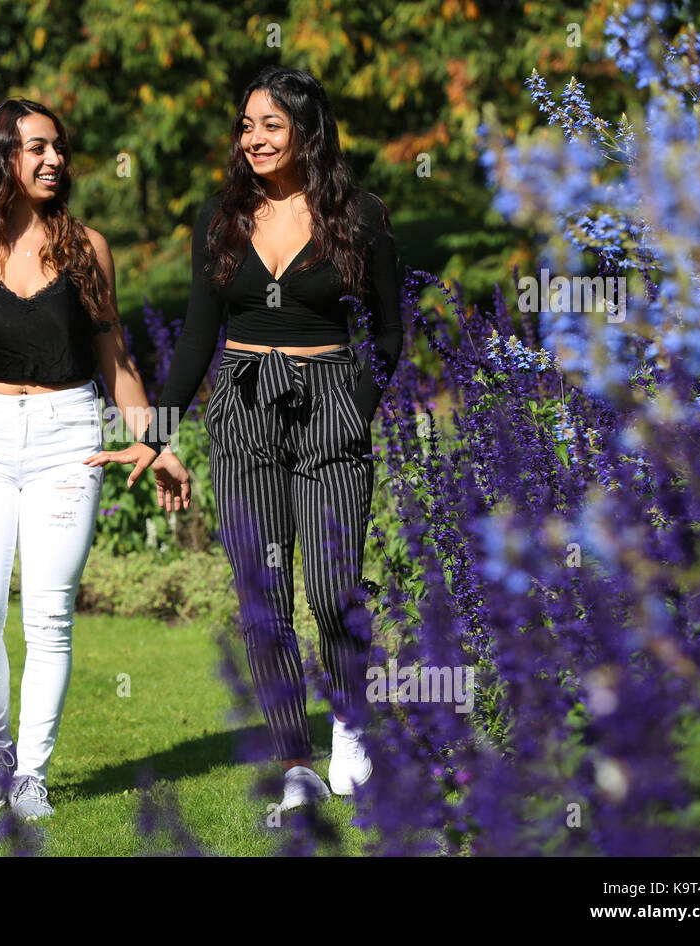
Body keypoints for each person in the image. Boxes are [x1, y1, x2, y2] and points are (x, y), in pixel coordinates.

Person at [88, 67, 404, 811]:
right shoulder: (221, 215)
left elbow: (388, 332)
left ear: (306, 130)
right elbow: (197, 335)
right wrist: (156, 433)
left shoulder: (359, 214)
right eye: (246, 125)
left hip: (329, 401)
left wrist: (354, 407)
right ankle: (295, 760)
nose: (254, 138)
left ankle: (351, 728)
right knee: (261, 598)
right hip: (242, 409)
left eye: (271, 124)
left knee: (332, 591)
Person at [0, 99, 190, 822]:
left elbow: (116, 361)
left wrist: (159, 440)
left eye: (58, 148)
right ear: (0, 160)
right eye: (36, 149)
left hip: (67, 433)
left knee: (50, 618)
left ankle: (34, 775)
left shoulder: (89, 248)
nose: (54, 160)